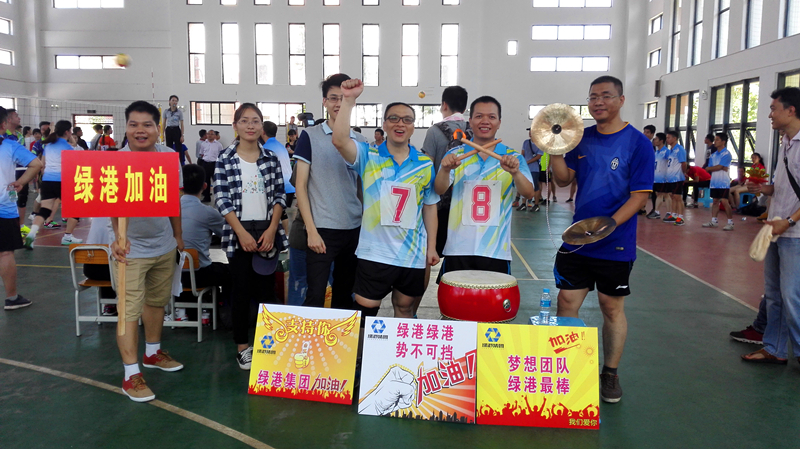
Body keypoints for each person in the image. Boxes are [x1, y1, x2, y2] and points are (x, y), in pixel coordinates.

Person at [549, 76, 654, 404]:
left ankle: (610, 373)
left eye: (606, 96)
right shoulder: (581, 138)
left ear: (621, 100)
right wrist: (554, 148)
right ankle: (565, 369)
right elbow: (563, 180)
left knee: (611, 306)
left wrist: (607, 226)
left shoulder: (638, 143)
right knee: (567, 301)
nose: (598, 102)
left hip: (615, 241)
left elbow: (640, 196)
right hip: (578, 239)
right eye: (593, 97)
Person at [332, 78, 440, 318]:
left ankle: (400, 347)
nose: (400, 123)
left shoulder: (424, 164)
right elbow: (339, 140)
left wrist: (431, 247)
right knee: (365, 310)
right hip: (374, 252)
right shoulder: (368, 156)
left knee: (404, 308)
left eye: (407, 119)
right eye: (394, 118)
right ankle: (365, 346)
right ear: (384, 124)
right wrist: (348, 100)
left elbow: (430, 207)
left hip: (411, 253)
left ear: (413, 127)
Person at [110, 101, 185, 403]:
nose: (140, 130)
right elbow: (111, 205)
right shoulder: (116, 161)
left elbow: (174, 201)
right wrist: (118, 238)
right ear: (126, 128)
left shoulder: (169, 158)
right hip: (130, 250)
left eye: (147, 125)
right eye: (133, 124)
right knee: (128, 311)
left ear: (158, 128)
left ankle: (152, 353)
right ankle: (131, 375)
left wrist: (178, 236)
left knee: (156, 302)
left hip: (163, 245)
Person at [213, 103, 287, 370]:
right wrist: (241, 233)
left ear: (261, 125)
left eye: (255, 121)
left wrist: (272, 229)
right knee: (241, 291)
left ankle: (270, 345)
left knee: (266, 291)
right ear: (235, 125)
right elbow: (221, 198)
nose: (250, 126)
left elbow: (279, 195)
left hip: (266, 232)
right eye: (244, 121)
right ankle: (242, 347)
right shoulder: (225, 158)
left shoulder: (271, 158)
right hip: (239, 234)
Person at [434, 96, 534, 277]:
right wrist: (445, 170)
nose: (485, 121)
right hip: (458, 248)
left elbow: (528, 193)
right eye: (479, 116)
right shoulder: (456, 155)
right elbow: (439, 190)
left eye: (491, 117)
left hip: (496, 250)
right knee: (455, 295)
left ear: (499, 122)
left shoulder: (512, 158)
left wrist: (516, 173)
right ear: (470, 121)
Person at [294, 74, 367, 310]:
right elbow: (300, 186)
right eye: (333, 98)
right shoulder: (310, 136)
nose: (338, 103)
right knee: (315, 296)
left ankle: (340, 336)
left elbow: (363, 188)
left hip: (353, 229)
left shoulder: (360, 141)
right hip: (322, 230)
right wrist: (311, 230)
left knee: (344, 296)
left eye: (343, 98)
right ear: (324, 102)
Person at [741, 87, 800, 364]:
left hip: (794, 233)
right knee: (774, 295)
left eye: (774, 109)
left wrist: (788, 222)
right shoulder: (785, 144)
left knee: (792, 296)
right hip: (775, 229)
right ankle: (774, 348)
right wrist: (763, 189)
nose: (770, 115)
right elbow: (784, 187)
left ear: (791, 110)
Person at [1, 106, 42, 310]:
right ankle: (11, 298)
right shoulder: (10, 145)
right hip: (3, 207)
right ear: (4, 124)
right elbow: (36, 164)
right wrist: (22, 182)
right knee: (5, 253)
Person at [421, 85, 469, 257]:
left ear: (444, 105)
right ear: (465, 107)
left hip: (439, 202)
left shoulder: (434, 131)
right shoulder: (473, 130)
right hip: (467, 202)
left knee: (430, 249)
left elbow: (427, 166)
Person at [180, 164, 230, 324]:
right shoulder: (208, 212)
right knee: (232, 272)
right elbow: (227, 232)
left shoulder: (168, 210)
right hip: (199, 275)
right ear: (205, 186)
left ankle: (181, 311)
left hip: (172, 275)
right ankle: (224, 312)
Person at [23, 120, 83, 249]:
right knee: (76, 209)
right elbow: (74, 166)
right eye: (70, 130)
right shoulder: (68, 147)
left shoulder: (48, 146)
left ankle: (32, 234)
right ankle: (67, 236)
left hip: (47, 181)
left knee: (45, 210)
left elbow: (42, 165)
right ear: (67, 132)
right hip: (62, 181)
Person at [262, 120, 295, 228]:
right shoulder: (281, 146)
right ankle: (286, 235)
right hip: (290, 185)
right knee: (281, 213)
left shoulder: (265, 148)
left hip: (280, 186)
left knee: (275, 213)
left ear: (262, 131)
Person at [702, 133, 735, 231]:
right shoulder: (713, 155)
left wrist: (715, 167)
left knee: (724, 201)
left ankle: (730, 222)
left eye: (717, 140)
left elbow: (719, 167)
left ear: (723, 142)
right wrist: (717, 167)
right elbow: (713, 167)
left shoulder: (727, 154)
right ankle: (714, 221)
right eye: (715, 140)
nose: (715, 142)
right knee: (715, 201)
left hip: (723, 182)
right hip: (714, 182)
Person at [664, 130, 687, 225]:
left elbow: (683, 163)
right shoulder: (670, 150)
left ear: (675, 138)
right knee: (672, 196)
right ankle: (673, 215)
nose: (667, 139)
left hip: (677, 177)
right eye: (666, 138)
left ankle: (680, 217)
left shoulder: (679, 149)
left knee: (678, 197)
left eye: (669, 138)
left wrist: (684, 173)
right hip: (670, 178)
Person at [647, 133, 669, 219]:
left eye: (656, 139)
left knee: (663, 194)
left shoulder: (666, 152)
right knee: (661, 194)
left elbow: (670, 164)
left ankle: (659, 212)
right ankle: (661, 212)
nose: (654, 141)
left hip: (663, 177)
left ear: (661, 141)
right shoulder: (656, 153)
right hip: (656, 178)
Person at [519, 131, 542, 211]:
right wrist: (522, 162)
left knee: (535, 186)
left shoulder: (540, 144)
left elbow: (538, 156)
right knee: (523, 184)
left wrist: (527, 162)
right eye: (529, 132)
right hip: (525, 168)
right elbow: (522, 153)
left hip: (534, 168)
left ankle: (536, 204)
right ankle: (523, 203)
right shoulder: (526, 142)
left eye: (532, 132)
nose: (530, 133)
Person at [199, 128, 224, 202]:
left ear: (214, 136)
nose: (210, 135)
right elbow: (202, 154)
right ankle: (207, 197)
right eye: (208, 134)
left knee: (216, 181)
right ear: (206, 135)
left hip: (214, 164)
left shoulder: (218, 145)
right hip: (205, 163)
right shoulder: (203, 144)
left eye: (212, 134)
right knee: (206, 181)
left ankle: (218, 197)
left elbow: (221, 155)